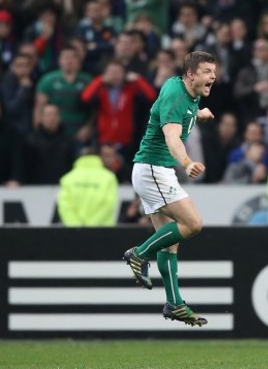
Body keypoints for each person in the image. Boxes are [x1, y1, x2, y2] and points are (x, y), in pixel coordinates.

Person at [123, 51, 217, 327]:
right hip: (154, 169)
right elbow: (172, 136)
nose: (213, 76)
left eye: (214, 71)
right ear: (191, 74)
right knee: (193, 223)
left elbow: (175, 115)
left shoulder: (182, 88)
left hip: (149, 170)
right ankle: (138, 254)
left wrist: (198, 114)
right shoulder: (178, 96)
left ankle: (174, 303)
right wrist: (187, 163)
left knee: (171, 243)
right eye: (207, 71)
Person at [57, 147, 118, 226]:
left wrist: (76, 226)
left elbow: (64, 206)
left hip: (73, 233)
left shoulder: (68, 178)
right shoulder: (109, 177)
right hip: (102, 232)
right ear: (98, 158)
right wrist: (90, 226)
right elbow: (108, 204)